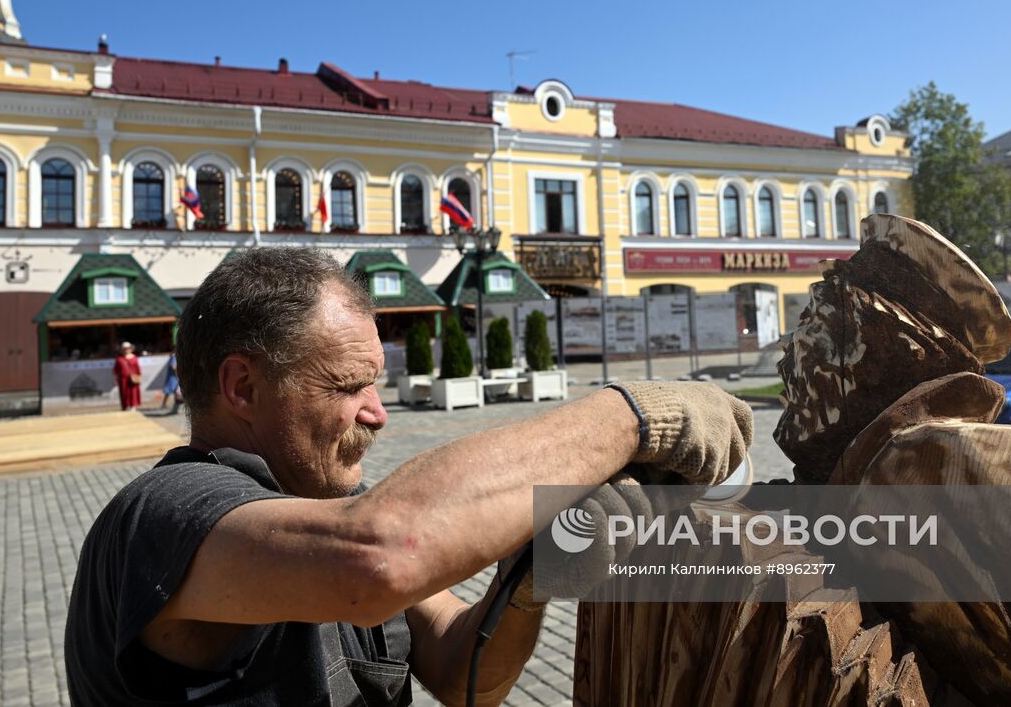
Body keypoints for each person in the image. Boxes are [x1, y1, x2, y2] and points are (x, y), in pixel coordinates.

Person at [574, 213, 1011, 705]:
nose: (787, 357)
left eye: (812, 331)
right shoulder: (839, 483)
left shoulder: (1007, 474)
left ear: (881, 351)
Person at [64, 246, 751, 706]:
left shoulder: (326, 508)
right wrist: (634, 416)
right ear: (243, 387)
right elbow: (380, 556)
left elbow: (464, 674)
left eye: (377, 382)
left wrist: (526, 583)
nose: (378, 413)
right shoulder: (165, 511)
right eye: (348, 385)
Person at [113, 341, 143, 411]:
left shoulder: (134, 358)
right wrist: (115, 379)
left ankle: (133, 406)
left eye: (128, 348)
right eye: (124, 348)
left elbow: (137, 368)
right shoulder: (119, 359)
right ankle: (125, 406)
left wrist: (138, 377)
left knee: (133, 392)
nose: (126, 350)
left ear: (130, 349)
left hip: (133, 378)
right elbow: (116, 370)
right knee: (124, 393)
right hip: (123, 379)